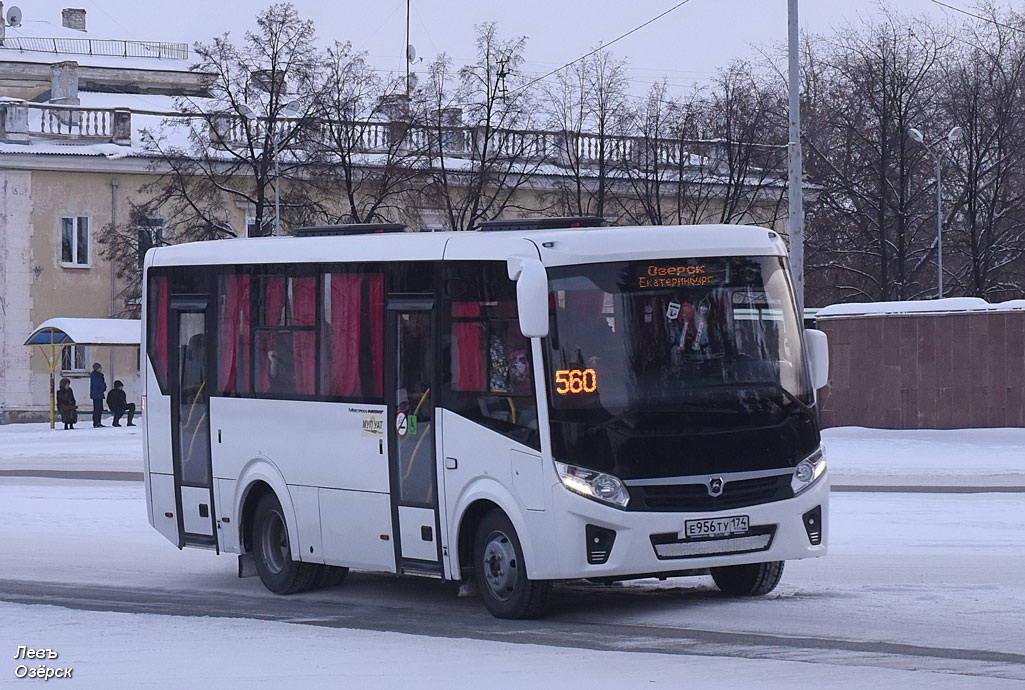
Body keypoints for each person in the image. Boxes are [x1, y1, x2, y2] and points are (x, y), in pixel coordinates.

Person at [89, 362, 107, 428]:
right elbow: (98, 384)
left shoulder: (96, 375)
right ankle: (96, 422)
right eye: (100, 368)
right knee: (97, 409)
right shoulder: (96, 376)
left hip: (97, 394)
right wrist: (103, 387)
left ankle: (98, 422)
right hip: (97, 394)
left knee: (99, 409)